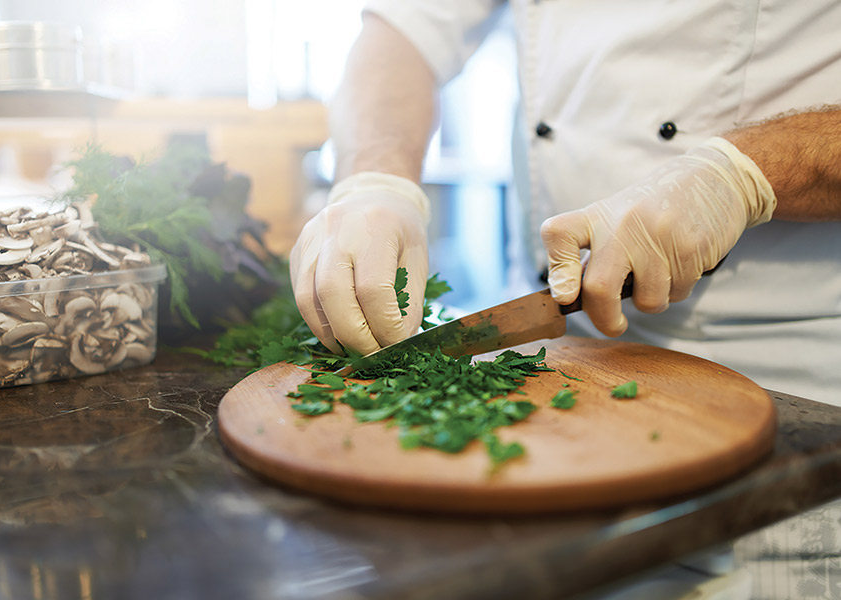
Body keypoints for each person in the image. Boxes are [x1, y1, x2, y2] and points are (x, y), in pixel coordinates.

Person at [290, 2, 841, 598]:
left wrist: (741, 174)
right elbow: (404, 32)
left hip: (784, 419)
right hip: (560, 398)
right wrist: (376, 179)